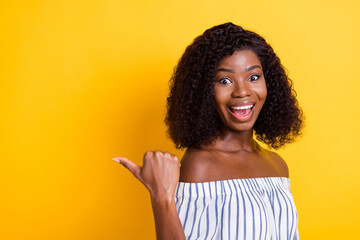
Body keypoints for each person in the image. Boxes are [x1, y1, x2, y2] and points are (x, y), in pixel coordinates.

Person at [113, 22, 304, 240]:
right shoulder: (199, 167)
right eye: (225, 81)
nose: (242, 92)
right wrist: (161, 197)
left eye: (253, 77)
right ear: (204, 92)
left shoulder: (277, 165)